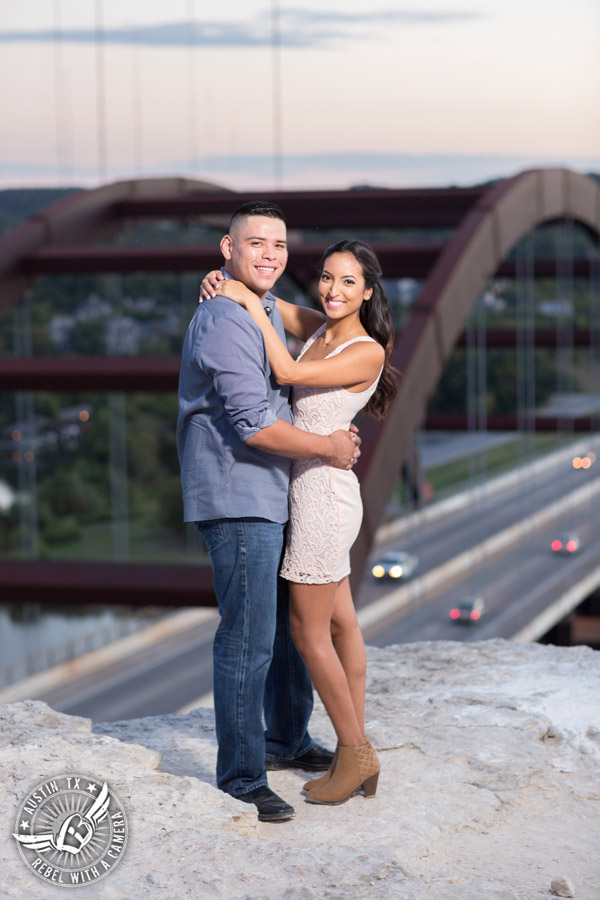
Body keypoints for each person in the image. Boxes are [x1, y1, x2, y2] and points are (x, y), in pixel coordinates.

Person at [176, 202, 361, 823]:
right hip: (238, 495)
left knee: (284, 630)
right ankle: (241, 776)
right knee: (249, 638)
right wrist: (331, 447)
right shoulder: (227, 320)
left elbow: (338, 329)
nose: (270, 254)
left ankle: (287, 739)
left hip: (270, 493)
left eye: (279, 245)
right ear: (227, 248)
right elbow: (254, 425)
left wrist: (257, 297)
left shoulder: (255, 307)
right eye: (255, 243)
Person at [200, 239, 397, 805]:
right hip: (314, 490)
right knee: (342, 627)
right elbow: (273, 304)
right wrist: (227, 283)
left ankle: (356, 752)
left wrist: (242, 298)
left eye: (348, 282)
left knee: (308, 635)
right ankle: (350, 749)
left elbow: (284, 366)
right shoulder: (323, 325)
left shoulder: (366, 350)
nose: (333, 291)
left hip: (321, 501)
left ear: (368, 291)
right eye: (327, 278)